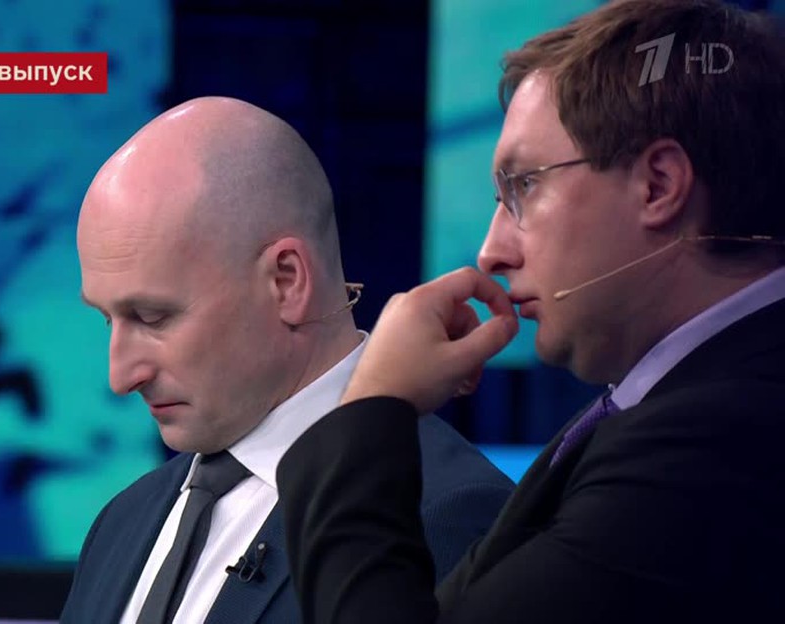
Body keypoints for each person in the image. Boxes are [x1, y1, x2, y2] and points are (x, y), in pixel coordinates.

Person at [275, 1, 785, 622]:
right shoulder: (677, 408)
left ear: (657, 184)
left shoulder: (717, 441)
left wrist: (374, 404)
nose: (490, 252)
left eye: (524, 185)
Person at [61, 96, 515, 624]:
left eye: (152, 317)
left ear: (286, 281)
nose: (120, 377)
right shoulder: (121, 522)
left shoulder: (448, 517)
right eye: (107, 319)